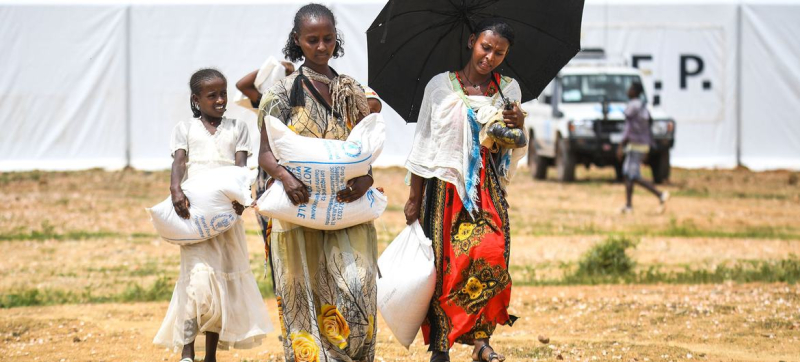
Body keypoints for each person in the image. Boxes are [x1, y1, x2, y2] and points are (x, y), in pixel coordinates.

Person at [256, 4, 378, 362]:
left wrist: (366, 180)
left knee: (357, 288)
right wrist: (285, 178)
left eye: (328, 38)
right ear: (298, 41)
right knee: (304, 299)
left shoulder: (352, 91)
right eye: (312, 40)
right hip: (299, 212)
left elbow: (365, 150)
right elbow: (265, 153)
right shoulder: (281, 93)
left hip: (346, 208)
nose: (321, 47)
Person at [404, 18, 527, 362]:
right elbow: (424, 143)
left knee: (492, 253)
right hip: (443, 189)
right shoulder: (440, 87)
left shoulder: (509, 91)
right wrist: (414, 198)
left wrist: (519, 126)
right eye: (485, 47)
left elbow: (511, 145)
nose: (490, 57)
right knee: (445, 268)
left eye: (499, 53)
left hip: (485, 187)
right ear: (472, 41)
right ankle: (441, 346)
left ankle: (481, 340)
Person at [153, 69, 272, 362]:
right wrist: (175, 190)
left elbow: (240, 169)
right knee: (197, 282)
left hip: (225, 219)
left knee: (220, 282)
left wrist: (241, 200)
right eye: (212, 96)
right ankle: (186, 351)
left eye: (224, 94)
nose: (220, 101)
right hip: (194, 216)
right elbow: (179, 163)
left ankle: (210, 356)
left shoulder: (237, 128)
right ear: (196, 100)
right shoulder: (185, 129)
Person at [618, 82, 669, 214]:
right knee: (628, 174)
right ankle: (629, 205)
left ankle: (660, 194)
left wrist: (621, 144)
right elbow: (649, 123)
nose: (628, 91)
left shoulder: (632, 107)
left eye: (630, 88)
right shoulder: (643, 106)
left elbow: (628, 128)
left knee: (632, 175)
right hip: (643, 143)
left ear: (635, 91)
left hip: (634, 144)